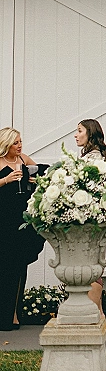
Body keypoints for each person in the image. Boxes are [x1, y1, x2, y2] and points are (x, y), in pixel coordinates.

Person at [0, 128, 43, 331]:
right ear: (6, 144)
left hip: (20, 220)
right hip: (3, 219)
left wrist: (35, 181)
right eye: (16, 142)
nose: (20, 145)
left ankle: (15, 314)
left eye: (20, 141)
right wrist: (6, 180)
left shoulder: (24, 159)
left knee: (19, 267)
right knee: (5, 268)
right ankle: (3, 316)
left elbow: (38, 172)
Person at [75, 118, 106, 317]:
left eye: (79, 131)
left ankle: (94, 314)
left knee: (91, 265)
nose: (76, 135)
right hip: (90, 220)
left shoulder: (94, 160)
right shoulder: (90, 156)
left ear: (90, 133)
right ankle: (98, 313)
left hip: (90, 221)